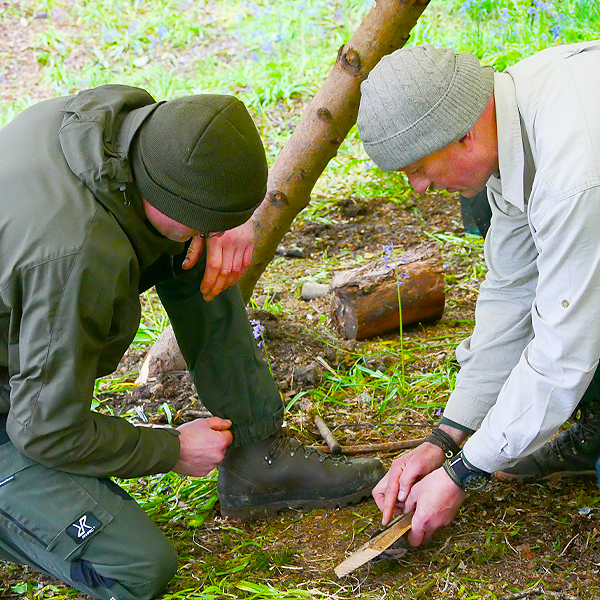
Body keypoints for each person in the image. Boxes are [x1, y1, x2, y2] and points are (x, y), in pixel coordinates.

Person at [0, 84, 385, 600]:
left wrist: (225, 223)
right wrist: (171, 450)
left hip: (25, 357)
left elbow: (193, 198)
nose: (216, 228)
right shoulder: (75, 256)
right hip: (22, 415)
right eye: (201, 216)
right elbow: (45, 428)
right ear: (165, 197)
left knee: (200, 251)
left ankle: (257, 459)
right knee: (139, 568)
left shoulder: (126, 126)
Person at [356, 40, 600, 547]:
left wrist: (463, 473)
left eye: (419, 169)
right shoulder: (511, 119)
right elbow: (512, 293)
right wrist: (446, 437)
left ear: (464, 134)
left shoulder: (573, 170)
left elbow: (564, 351)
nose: (419, 188)